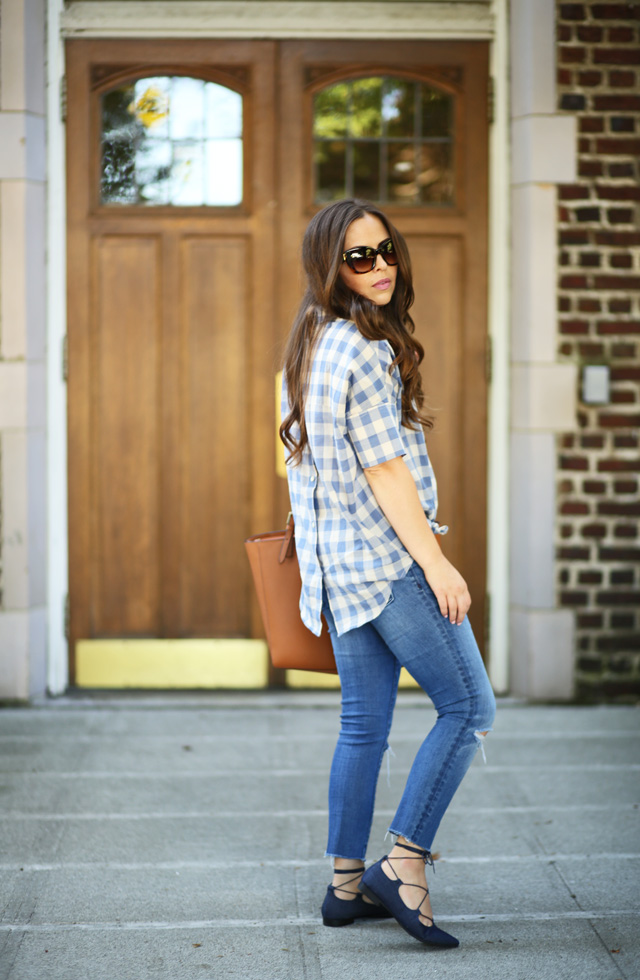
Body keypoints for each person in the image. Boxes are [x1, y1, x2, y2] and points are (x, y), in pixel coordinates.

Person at [279, 199, 496, 949]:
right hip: (387, 564)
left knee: (363, 726)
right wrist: (437, 563)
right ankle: (403, 862)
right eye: (357, 258)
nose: (377, 268)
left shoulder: (310, 342)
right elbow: (385, 471)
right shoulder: (365, 350)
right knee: (469, 709)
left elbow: (302, 468)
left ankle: (345, 887)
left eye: (385, 252)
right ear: (329, 267)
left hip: (334, 569)